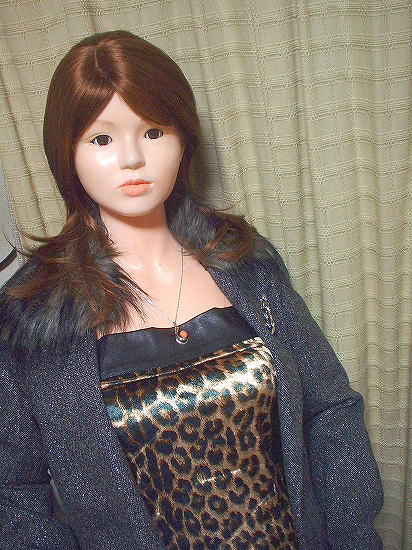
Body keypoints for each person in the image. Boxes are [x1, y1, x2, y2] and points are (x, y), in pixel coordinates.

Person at [0, 30, 383, 550]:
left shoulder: (245, 262)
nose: (132, 158)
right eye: (101, 139)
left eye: (153, 131)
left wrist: (352, 535)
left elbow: (329, 410)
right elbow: (13, 493)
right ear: (67, 154)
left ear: (183, 140)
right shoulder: (31, 315)